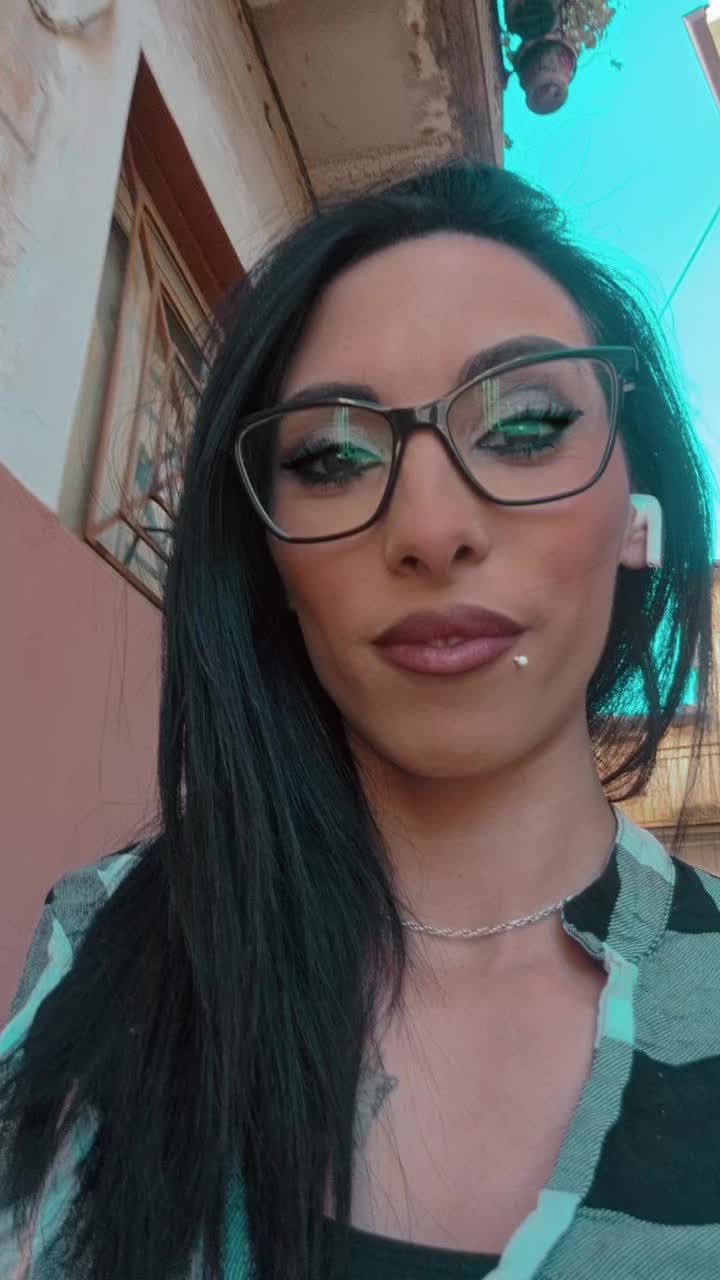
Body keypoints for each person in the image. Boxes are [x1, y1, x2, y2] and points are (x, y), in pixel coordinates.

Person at [0, 159, 717, 1280]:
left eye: (527, 425)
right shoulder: (108, 940)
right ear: (271, 568)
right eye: (331, 456)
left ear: (639, 510)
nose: (428, 529)